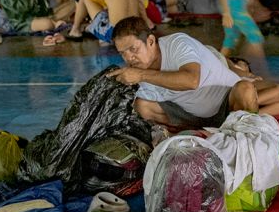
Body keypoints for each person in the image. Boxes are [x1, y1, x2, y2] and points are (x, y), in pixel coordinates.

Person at [107, 16, 262, 129]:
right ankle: (194, 135)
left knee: (246, 89)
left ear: (151, 41)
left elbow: (192, 80)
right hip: (193, 117)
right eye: (122, 53)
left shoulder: (177, 43)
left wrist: (141, 75)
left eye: (133, 49)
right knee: (141, 105)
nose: (129, 58)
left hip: (227, 105)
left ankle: (245, 135)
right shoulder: (136, 72)